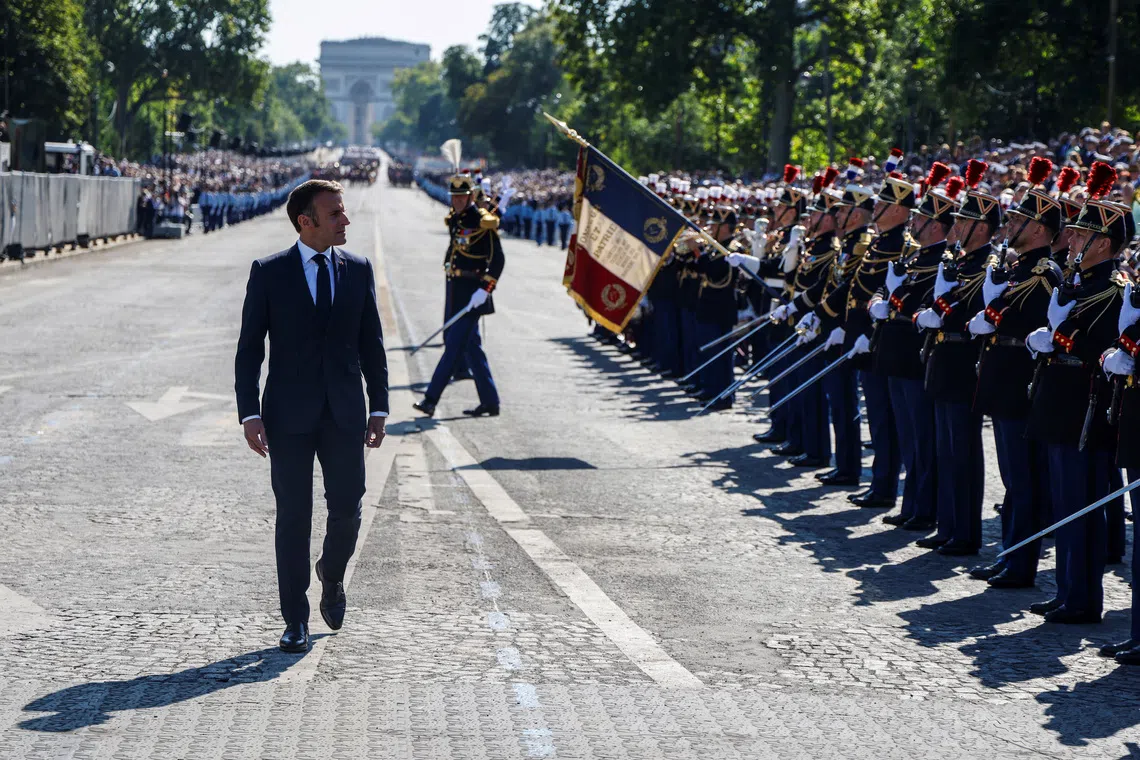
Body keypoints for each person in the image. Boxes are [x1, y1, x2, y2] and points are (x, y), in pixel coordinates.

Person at [234, 178, 390, 653]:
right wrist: (249, 413)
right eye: (336, 213)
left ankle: (332, 572)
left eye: (343, 212)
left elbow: (372, 344)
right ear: (307, 222)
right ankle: (295, 618)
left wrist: (379, 404)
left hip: (344, 412)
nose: (346, 220)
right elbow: (248, 350)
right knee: (294, 516)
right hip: (287, 415)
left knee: (347, 507)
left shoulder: (358, 270)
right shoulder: (269, 272)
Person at [412, 172, 505, 418]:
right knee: (472, 348)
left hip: (474, 293)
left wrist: (485, 290)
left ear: (471, 196)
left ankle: (430, 399)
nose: (458, 201)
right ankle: (491, 402)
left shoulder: (483, 222)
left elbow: (497, 260)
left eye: (462, 197)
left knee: (453, 347)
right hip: (455, 290)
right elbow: (455, 249)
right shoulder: (455, 219)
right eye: (455, 197)